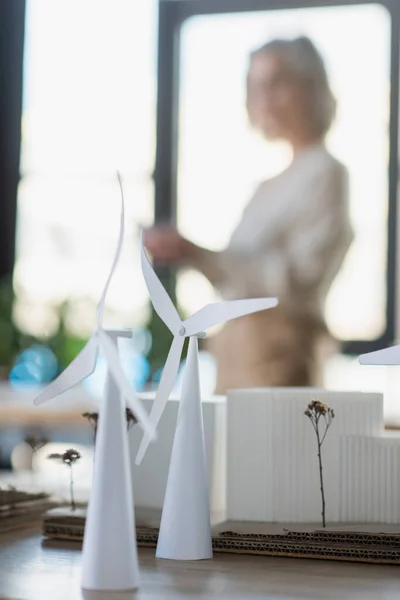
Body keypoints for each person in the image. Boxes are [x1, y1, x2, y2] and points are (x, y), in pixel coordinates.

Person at [144, 36, 354, 392]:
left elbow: (297, 281)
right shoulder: (269, 186)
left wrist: (201, 254)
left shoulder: (326, 173)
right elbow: (240, 281)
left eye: (275, 83)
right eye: (255, 86)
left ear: (308, 87)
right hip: (240, 363)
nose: (263, 98)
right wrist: (192, 256)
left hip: (278, 369)